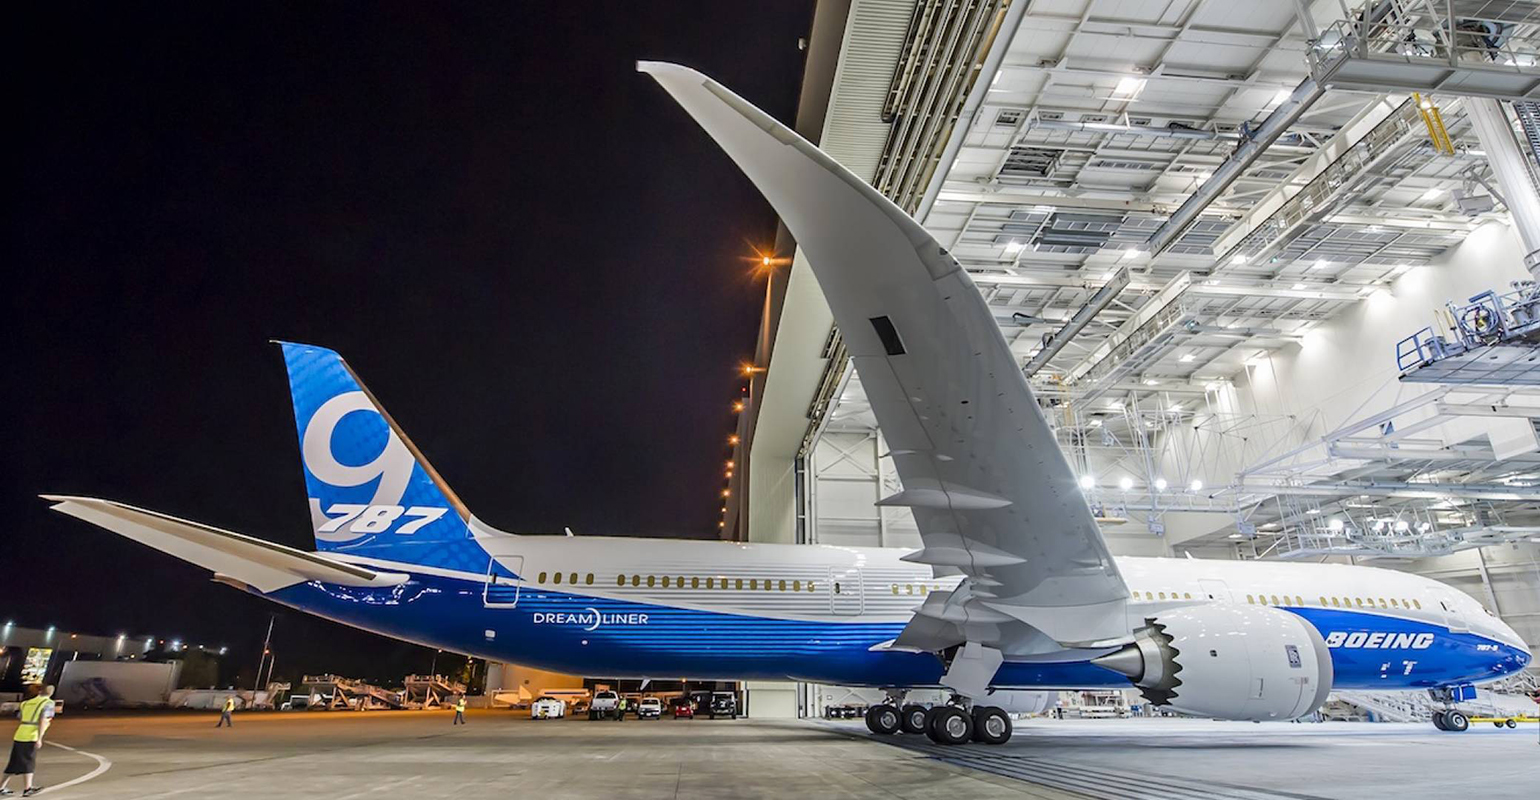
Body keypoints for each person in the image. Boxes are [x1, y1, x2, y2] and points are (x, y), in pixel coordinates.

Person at [1, 685, 55, 797]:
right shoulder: (48, 703)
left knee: (14, 763)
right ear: (50, 693)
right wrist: (40, 738)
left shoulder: (26, 703)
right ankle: (27, 788)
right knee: (28, 763)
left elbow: (20, 716)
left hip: (20, 733)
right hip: (31, 735)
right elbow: (43, 721)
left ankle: (1, 787)